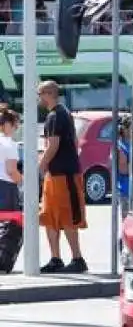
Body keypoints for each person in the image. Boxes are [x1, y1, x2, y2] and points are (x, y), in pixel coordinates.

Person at [37, 80, 88, 273]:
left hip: (64, 175)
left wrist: (40, 166)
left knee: (67, 216)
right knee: (49, 217)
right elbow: (73, 142)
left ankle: (77, 258)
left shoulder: (55, 116)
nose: (39, 98)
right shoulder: (64, 113)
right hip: (58, 173)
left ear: (49, 93)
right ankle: (55, 258)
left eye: (40, 94)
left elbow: (53, 145)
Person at [0, 109, 21, 209]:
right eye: (16, 125)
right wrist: (23, 180)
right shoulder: (9, 144)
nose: (16, 129)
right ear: (8, 124)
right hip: (6, 190)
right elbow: (11, 171)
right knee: (10, 223)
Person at [116, 115, 131, 219]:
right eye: (131, 127)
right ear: (124, 129)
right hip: (125, 189)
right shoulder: (121, 147)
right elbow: (124, 169)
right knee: (126, 219)